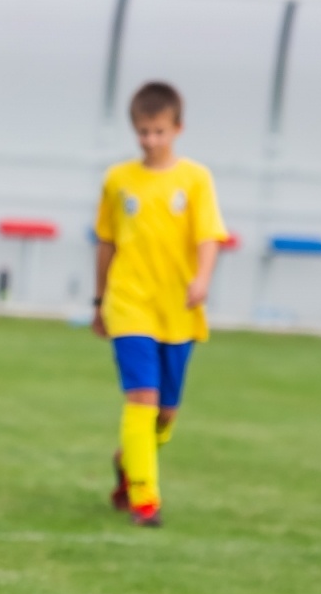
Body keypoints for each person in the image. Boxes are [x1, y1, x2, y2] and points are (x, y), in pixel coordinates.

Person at [93, 81, 226, 527]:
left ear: (177, 128)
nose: (151, 140)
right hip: (129, 304)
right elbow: (106, 243)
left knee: (166, 412)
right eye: (143, 132)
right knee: (142, 399)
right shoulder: (118, 180)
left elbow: (209, 236)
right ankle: (145, 499)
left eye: (159, 132)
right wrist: (99, 301)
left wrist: (202, 279)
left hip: (178, 309)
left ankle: (130, 461)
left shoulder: (195, 179)